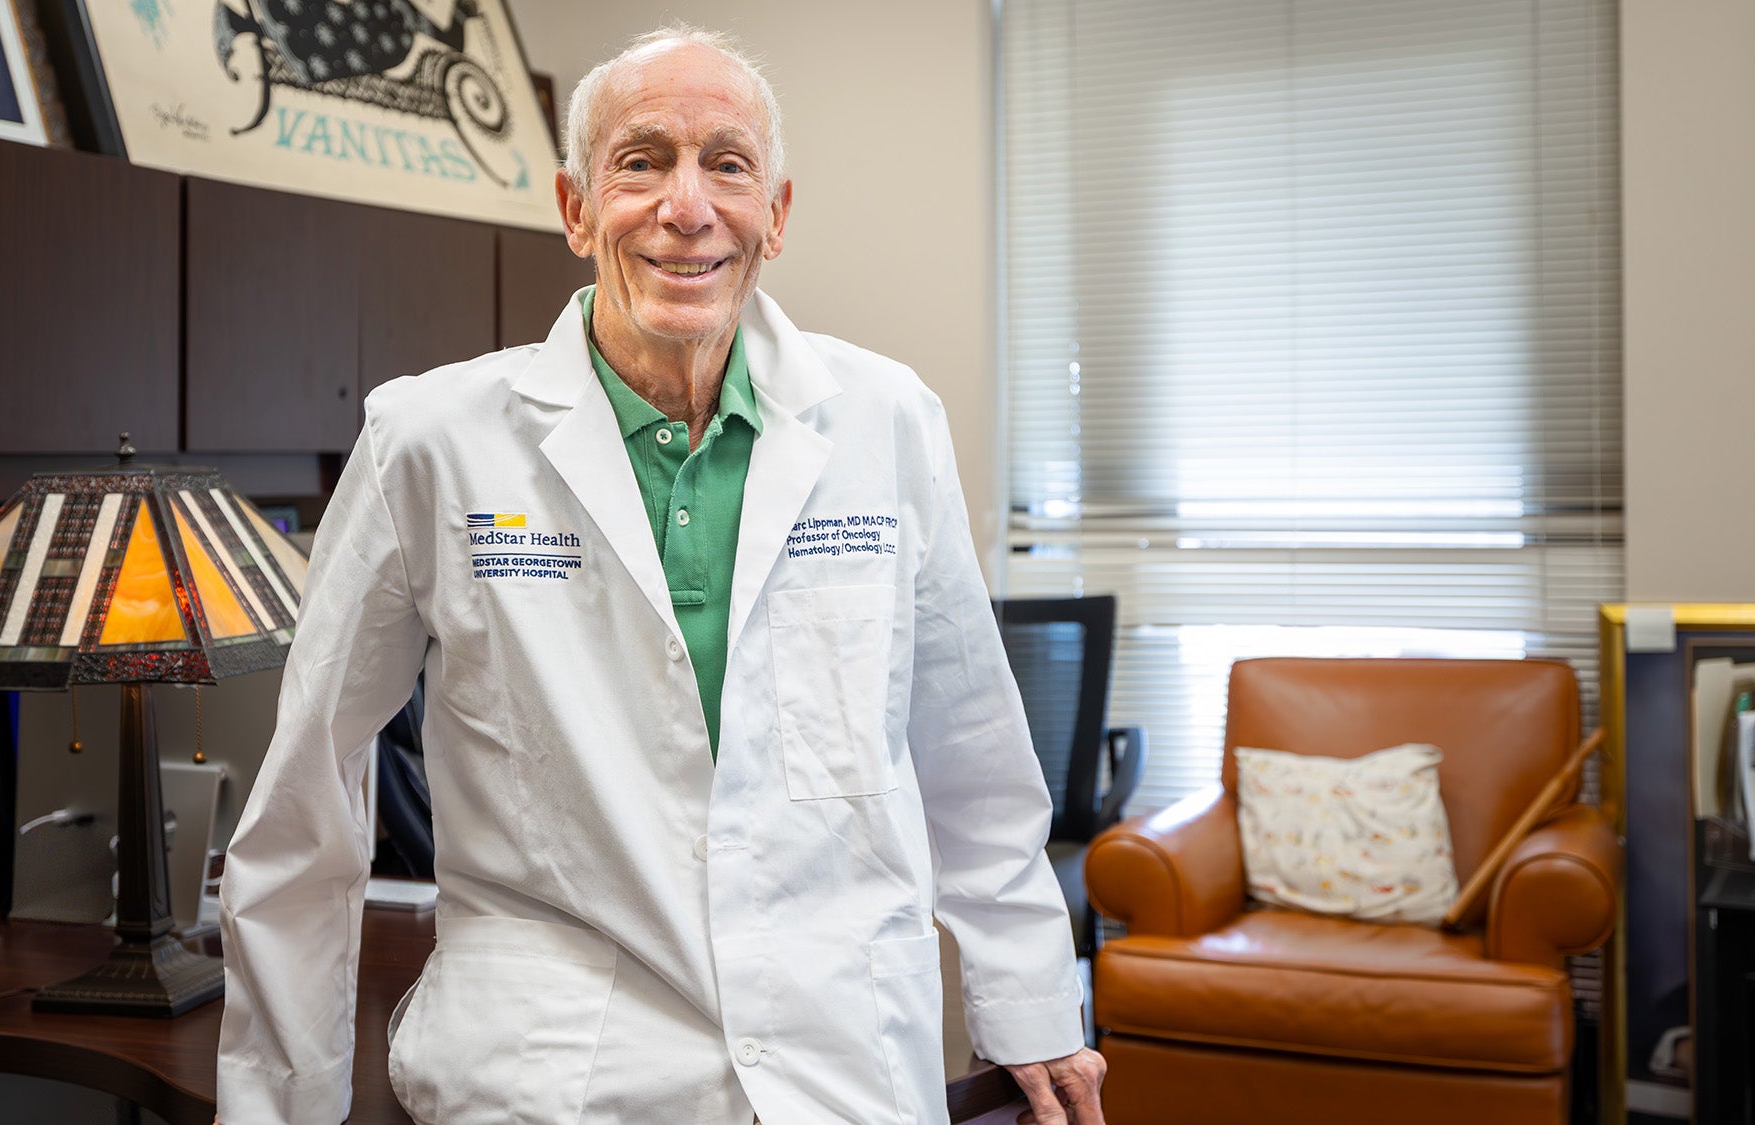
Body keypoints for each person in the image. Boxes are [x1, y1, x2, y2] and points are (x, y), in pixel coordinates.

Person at [214, 26, 1105, 1125]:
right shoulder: (431, 440)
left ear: (775, 212)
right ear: (577, 208)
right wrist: (278, 1102)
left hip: (841, 1054)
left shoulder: (887, 422)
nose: (687, 208)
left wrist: (1030, 1001)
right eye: (641, 162)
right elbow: (306, 800)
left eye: (727, 165)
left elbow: (970, 749)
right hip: (550, 1070)